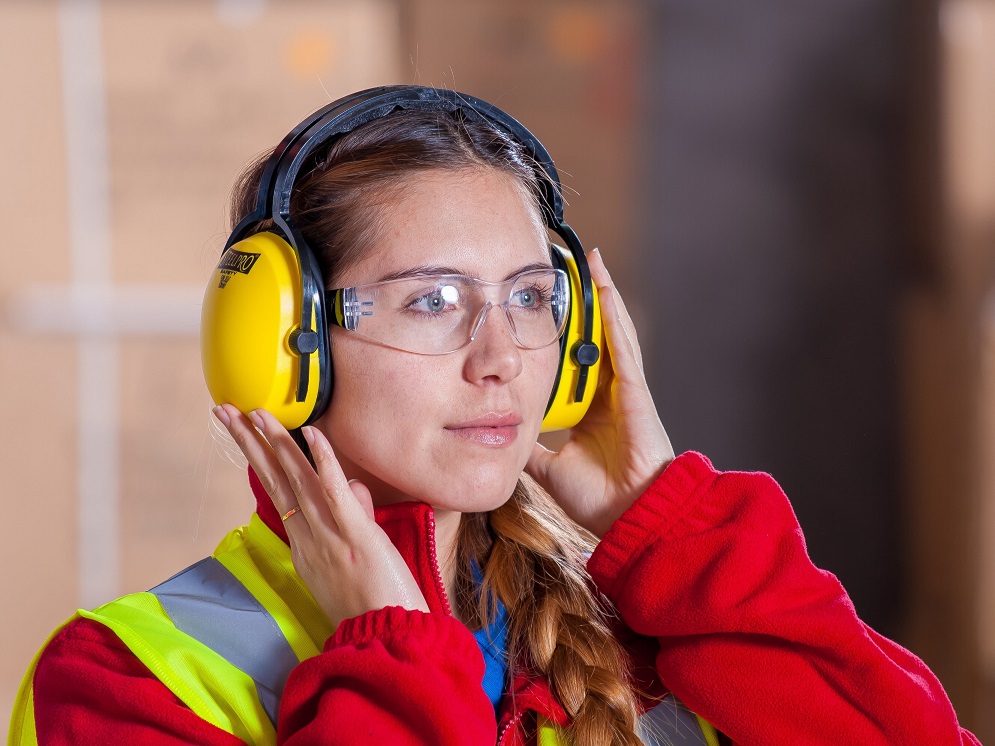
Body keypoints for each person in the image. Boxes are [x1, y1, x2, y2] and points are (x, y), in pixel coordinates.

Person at [8, 86, 980, 746]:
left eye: (527, 296)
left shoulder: (660, 629)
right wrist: (387, 652)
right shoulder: (121, 680)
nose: (502, 355)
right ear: (278, 342)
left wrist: (675, 528)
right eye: (432, 300)